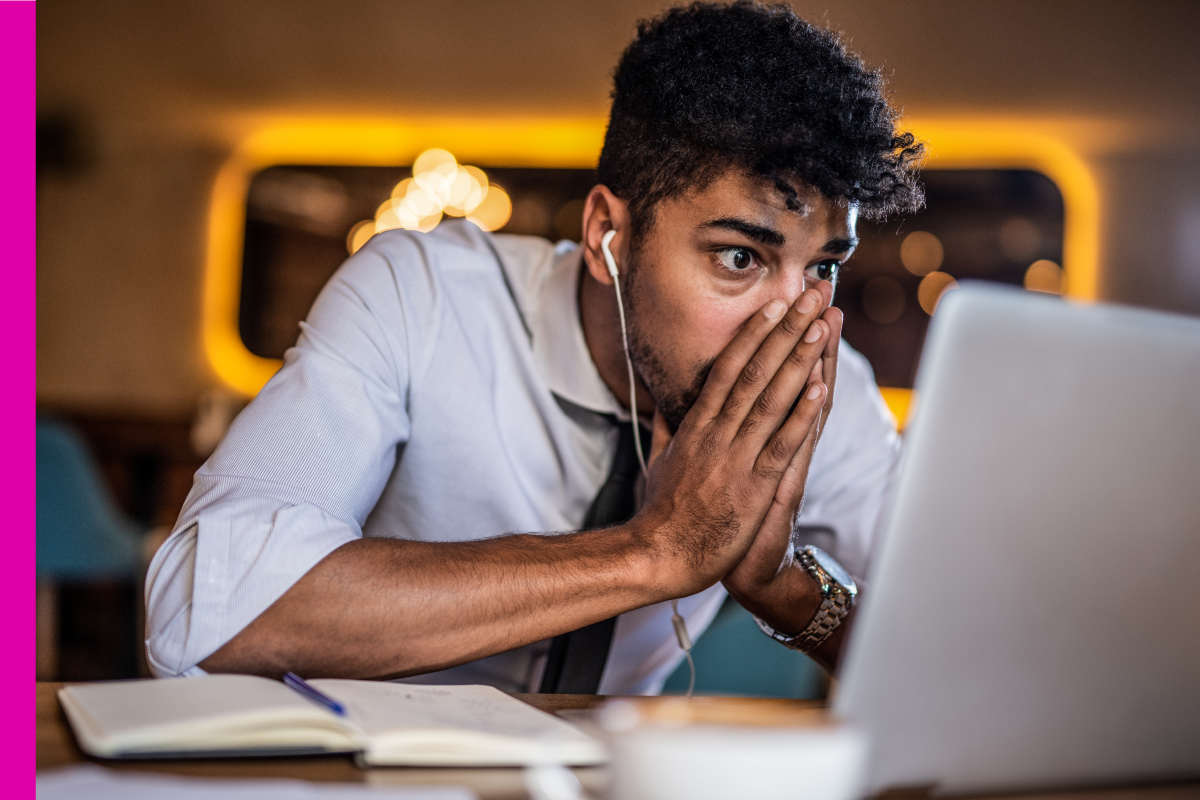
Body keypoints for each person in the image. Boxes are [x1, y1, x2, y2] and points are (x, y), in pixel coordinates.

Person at [145, 0, 923, 694]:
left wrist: (788, 588)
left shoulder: (829, 392)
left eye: (823, 267)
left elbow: (964, 669)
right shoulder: (424, 295)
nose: (792, 324)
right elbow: (204, 612)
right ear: (606, 234)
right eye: (740, 258)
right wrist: (653, 550)